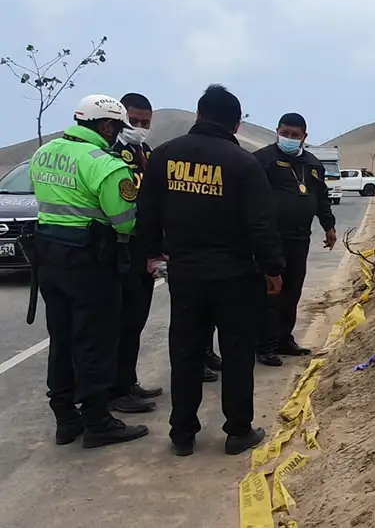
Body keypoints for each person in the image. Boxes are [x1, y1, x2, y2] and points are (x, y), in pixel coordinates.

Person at [136, 84, 284, 457]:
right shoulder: (243, 164)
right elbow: (261, 225)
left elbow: (147, 214)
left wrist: (152, 253)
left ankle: (182, 433)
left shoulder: (164, 157)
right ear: (236, 125)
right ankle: (238, 431)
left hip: (185, 274)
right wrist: (273, 268)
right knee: (237, 353)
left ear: (199, 115)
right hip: (235, 275)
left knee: (185, 351)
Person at [30, 94, 149, 448]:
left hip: (50, 260)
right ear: (107, 126)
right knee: (95, 340)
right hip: (91, 264)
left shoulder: (44, 153)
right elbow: (124, 222)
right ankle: (98, 421)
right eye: (118, 128)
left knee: (62, 338)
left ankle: (65, 418)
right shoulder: (106, 165)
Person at [253, 113, 337, 366]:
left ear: (304, 137)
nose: (288, 138)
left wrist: (329, 226)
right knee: (270, 291)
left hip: (300, 239)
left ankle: (283, 339)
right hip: (270, 238)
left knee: (292, 291)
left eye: (294, 135)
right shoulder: (261, 160)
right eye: (285, 133)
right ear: (277, 131)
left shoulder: (312, 164)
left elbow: (321, 197)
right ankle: (264, 346)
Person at [107, 93, 161, 414]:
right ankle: (115, 389)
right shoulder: (111, 153)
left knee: (137, 319)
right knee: (123, 320)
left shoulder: (147, 152)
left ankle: (128, 381)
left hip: (145, 249)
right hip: (122, 247)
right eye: (134, 122)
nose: (139, 128)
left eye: (145, 123)